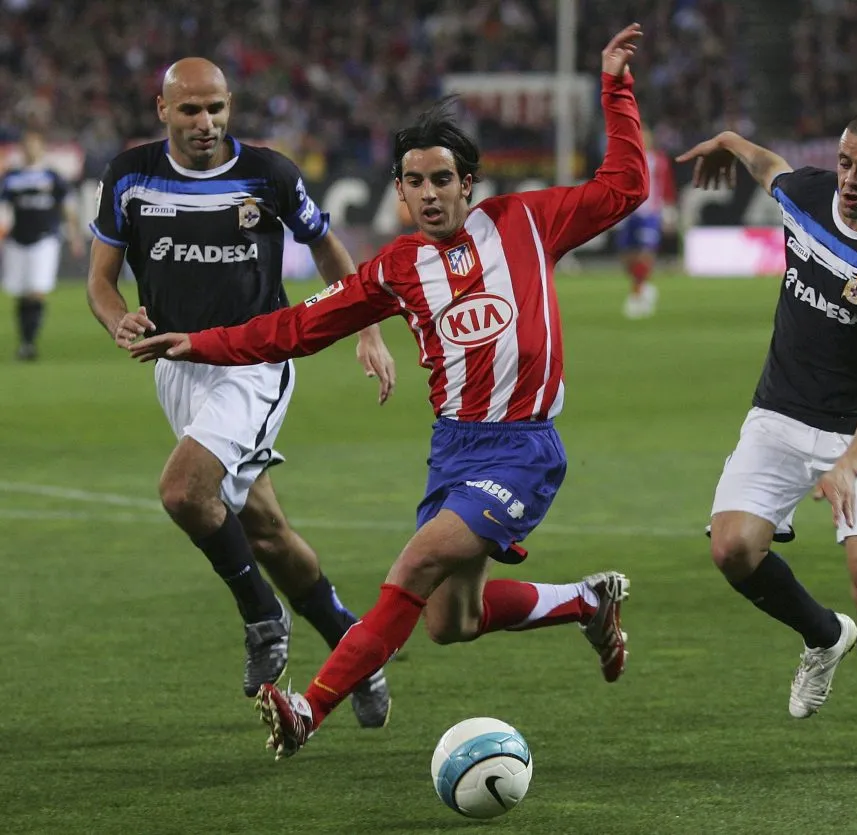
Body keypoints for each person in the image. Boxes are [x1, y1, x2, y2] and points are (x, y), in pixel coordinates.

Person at [129, 24, 649, 760]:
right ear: (399, 191)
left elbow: (627, 186)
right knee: (449, 619)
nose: (431, 193)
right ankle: (586, 600)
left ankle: (308, 708)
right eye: (415, 181)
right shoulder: (395, 269)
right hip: (454, 450)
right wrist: (200, 343)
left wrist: (616, 88)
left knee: (410, 567)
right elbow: (295, 327)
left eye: (443, 179)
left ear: (468, 184)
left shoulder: (528, 222)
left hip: (523, 449)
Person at [86, 57, 395, 727]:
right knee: (265, 530)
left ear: (231, 107)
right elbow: (100, 281)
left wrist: (366, 330)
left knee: (183, 491)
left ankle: (262, 615)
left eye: (217, 108)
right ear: (161, 109)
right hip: (177, 365)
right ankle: (356, 646)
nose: (207, 123)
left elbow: (329, 250)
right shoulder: (130, 175)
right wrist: (120, 320)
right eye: (192, 110)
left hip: (257, 359)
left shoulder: (270, 174)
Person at [677, 109, 857, 777]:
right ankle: (824, 636)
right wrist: (732, 141)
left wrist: (849, 466)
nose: (850, 178)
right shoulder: (813, 191)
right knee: (732, 548)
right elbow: (772, 168)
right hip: (782, 410)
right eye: (846, 162)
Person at [1, 129, 85, 360]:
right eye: (26, 145)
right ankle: (25, 340)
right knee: (20, 292)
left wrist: (74, 235)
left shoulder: (52, 177)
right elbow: (3, 209)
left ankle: (29, 342)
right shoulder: (11, 177)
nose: (30, 149)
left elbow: (68, 207)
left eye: (34, 144)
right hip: (16, 240)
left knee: (37, 291)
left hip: (45, 239)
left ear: (41, 147)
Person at [617, 125, 675, 319]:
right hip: (630, 214)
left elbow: (666, 186)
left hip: (651, 214)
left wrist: (668, 212)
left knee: (645, 254)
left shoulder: (659, 160)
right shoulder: (627, 159)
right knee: (627, 258)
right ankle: (645, 287)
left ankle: (637, 294)